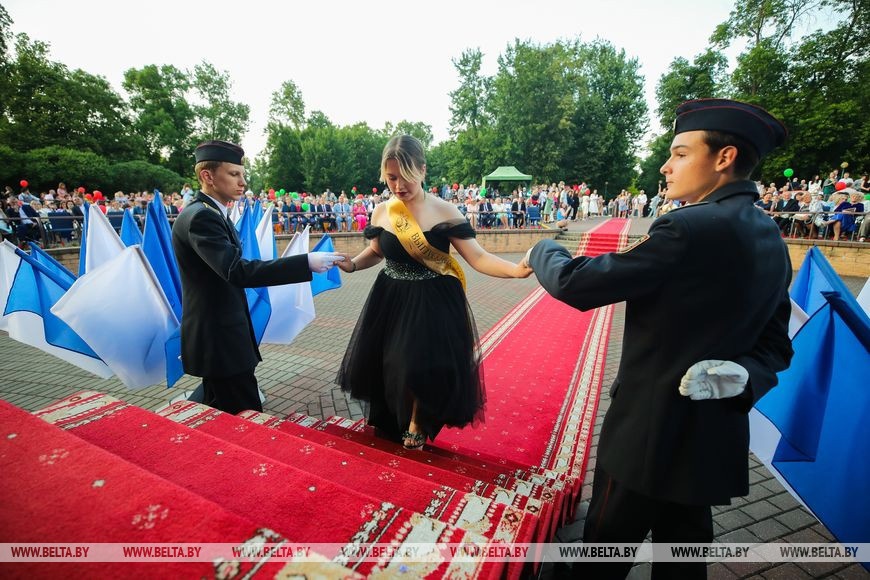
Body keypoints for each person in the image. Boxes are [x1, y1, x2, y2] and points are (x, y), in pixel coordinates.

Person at [525, 99, 794, 579]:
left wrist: (543, 246)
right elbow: (777, 346)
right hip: (708, 438)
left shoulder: (686, 226)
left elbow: (575, 284)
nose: (666, 167)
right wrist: (745, 376)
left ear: (724, 157)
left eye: (680, 153)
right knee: (684, 558)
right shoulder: (770, 235)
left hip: (647, 436)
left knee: (602, 554)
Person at [336, 135, 532, 450]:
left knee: (415, 364)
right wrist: (353, 264)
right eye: (392, 177)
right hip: (390, 298)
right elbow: (376, 251)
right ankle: (394, 422)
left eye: (406, 176)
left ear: (423, 170)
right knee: (388, 365)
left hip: (431, 301)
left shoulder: (445, 211)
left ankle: (418, 422)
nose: (399, 185)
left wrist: (516, 270)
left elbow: (478, 257)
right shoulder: (383, 211)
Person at [172, 140, 344, 415]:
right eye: (233, 174)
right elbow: (236, 271)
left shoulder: (210, 212)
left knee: (219, 412)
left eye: (242, 174)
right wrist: (305, 263)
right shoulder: (202, 217)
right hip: (220, 340)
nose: (243, 182)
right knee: (246, 416)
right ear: (207, 176)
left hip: (221, 337)